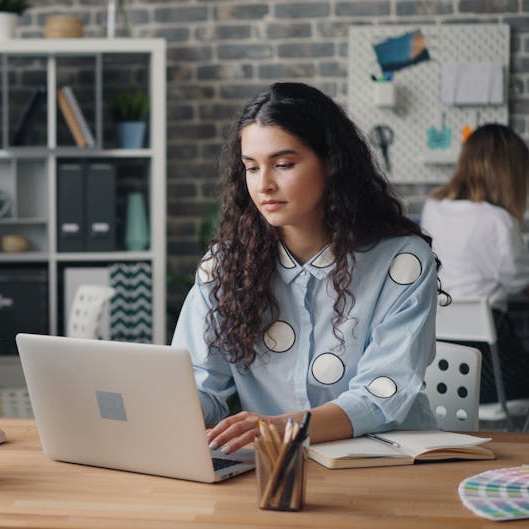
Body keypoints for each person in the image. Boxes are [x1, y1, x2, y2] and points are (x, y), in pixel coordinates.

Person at [172, 82, 442, 455]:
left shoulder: (401, 263)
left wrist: (280, 428)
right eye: (252, 168)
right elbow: (200, 385)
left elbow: (381, 394)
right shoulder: (224, 267)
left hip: (390, 462)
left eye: (283, 165)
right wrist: (160, 412)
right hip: (277, 467)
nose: (264, 184)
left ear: (331, 164)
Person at [420, 123, 529, 405]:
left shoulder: (434, 207)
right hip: (492, 372)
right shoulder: (500, 221)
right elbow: (519, 281)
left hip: (438, 367)